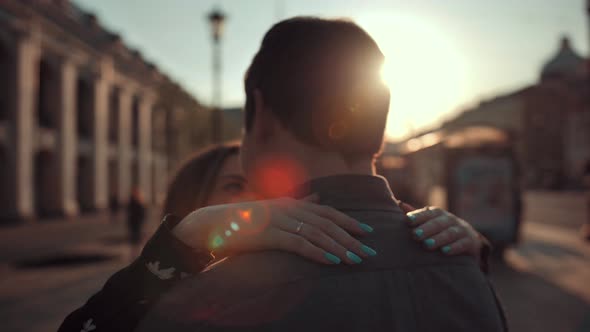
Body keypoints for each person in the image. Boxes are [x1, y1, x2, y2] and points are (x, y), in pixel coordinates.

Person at [137, 17, 506, 332]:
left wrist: (184, 239)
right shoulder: (467, 268)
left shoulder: (219, 293)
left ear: (261, 116)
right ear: (377, 131)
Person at [58, 144, 489, 332]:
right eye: (233, 189)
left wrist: (463, 250)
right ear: (193, 203)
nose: (259, 205)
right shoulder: (162, 301)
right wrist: (189, 237)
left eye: (267, 189)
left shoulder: (298, 284)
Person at [127, 187, 146, 259]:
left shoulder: (137, 202)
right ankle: (135, 253)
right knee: (134, 238)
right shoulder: (133, 202)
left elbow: (142, 213)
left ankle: (137, 252)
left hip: (137, 222)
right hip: (134, 222)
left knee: (137, 237)